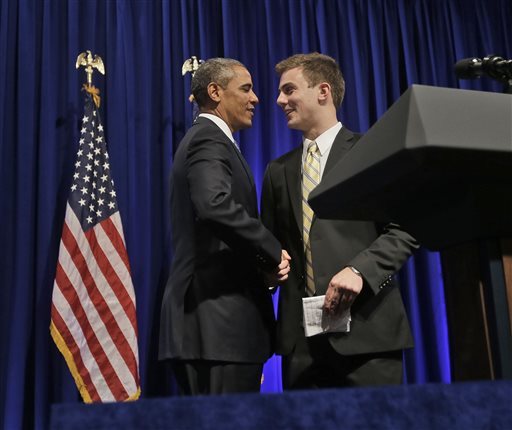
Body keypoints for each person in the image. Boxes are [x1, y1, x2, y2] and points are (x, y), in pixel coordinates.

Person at [261, 53, 419, 389]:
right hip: (301, 347)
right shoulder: (278, 171)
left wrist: (360, 270)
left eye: (289, 90)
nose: (279, 100)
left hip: (368, 335)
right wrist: (270, 270)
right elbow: (272, 246)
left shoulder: (372, 151)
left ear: (323, 91)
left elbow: (407, 227)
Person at [159, 58, 290, 395]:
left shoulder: (212, 141)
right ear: (215, 92)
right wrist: (272, 252)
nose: (256, 98)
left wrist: (263, 273)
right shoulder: (209, 139)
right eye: (245, 88)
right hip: (216, 327)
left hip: (216, 328)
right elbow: (213, 204)